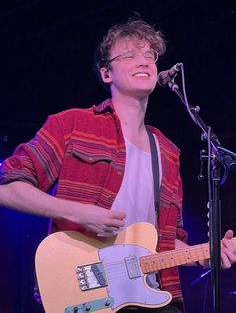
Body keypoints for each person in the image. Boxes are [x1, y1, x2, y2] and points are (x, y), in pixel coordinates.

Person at [0, 17, 235, 313]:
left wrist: (205, 254)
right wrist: (77, 211)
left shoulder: (167, 152)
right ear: (106, 73)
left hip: (154, 295)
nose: (144, 61)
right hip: (88, 293)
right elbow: (6, 188)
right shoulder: (72, 125)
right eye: (129, 55)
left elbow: (166, 241)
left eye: (150, 55)